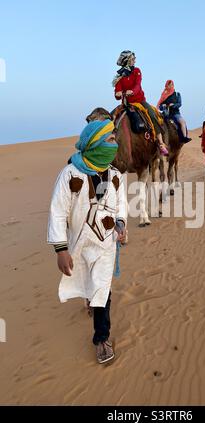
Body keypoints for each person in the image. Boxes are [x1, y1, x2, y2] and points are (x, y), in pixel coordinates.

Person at [47, 118, 128, 364]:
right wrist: (60, 249)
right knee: (87, 283)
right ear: (95, 143)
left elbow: (121, 203)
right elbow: (58, 211)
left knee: (103, 288)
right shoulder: (69, 174)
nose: (115, 144)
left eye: (115, 139)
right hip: (79, 243)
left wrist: (121, 223)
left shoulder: (115, 174)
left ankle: (101, 338)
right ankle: (90, 300)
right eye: (110, 140)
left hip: (106, 243)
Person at [113, 50, 169, 156]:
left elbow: (137, 86)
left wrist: (132, 91)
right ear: (127, 60)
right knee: (112, 117)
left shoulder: (137, 71)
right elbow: (117, 93)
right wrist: (118, 93)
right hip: (126, 103)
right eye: (133, 59)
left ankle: (161, 143)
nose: (134, 61)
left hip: (140, 101)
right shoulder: (119, 76)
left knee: (152, 115)